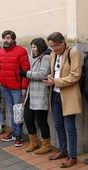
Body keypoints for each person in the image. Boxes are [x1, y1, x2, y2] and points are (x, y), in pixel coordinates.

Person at [43, 32, 82, 168]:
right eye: (51, 46)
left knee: (69, 127)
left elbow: (75, 75)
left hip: (68, 95)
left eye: (55, 46)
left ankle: (73, 156)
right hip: (55, 94)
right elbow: (56, 72)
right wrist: (50, 77)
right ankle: (63, 150)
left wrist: (57, 81)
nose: (53, 49)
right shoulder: (53, 54)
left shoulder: (73, 52)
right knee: (58, 125)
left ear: (62, 42)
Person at [0, 30, 30, 147]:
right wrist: (0, 80)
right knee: (11, 110)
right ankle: (14, 132)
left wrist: (24, 87)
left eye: (8, 38)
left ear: (13, 39)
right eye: (4, 38)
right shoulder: (0, 52)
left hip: (16, 88)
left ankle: (19, 135)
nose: (6, 40)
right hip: (5, 86)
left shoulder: (21, 51)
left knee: (18, 111)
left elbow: (26, 71)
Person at [20, 38, 52, 154]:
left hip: (41, 94)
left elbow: (43, 74)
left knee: (41, 120)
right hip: (31, 93)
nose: (32, 49)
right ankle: (34, 142)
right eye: (32, 47)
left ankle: (46, 144)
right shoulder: (34, 58)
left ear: (40, 47)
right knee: (27, 117)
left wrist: (26, 74)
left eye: (34, 47)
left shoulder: (46, 57)